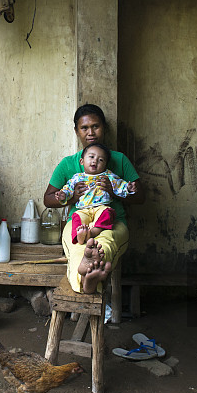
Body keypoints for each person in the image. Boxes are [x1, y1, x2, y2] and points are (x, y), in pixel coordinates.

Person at [43, 104, 145, 294]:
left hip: (112, 222)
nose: (90, 132)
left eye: (96, 126)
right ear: (76, 131)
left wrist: (114, 193)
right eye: (84, 128)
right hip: (79, 222)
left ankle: (86, 280)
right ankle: (88, 281)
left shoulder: (118, 160)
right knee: (77, 248)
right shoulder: (68, 164)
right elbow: (48, 199)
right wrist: (72, 197)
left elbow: (140, 196)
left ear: (104, 128)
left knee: (105, 243)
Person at [55, 142, 136, 245]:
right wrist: (63, 195)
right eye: (91, 157)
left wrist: (128, 188)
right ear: (82, 161)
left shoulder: (108, 176)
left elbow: (120, 185)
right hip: (83, 210)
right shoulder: (77, 178)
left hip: (101, 208)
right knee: (76, 218)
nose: (95, 161)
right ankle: (80, 236)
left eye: (100, 160)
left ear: (105, 165)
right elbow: (68, 189)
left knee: (108, 213)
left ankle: (93, 232)